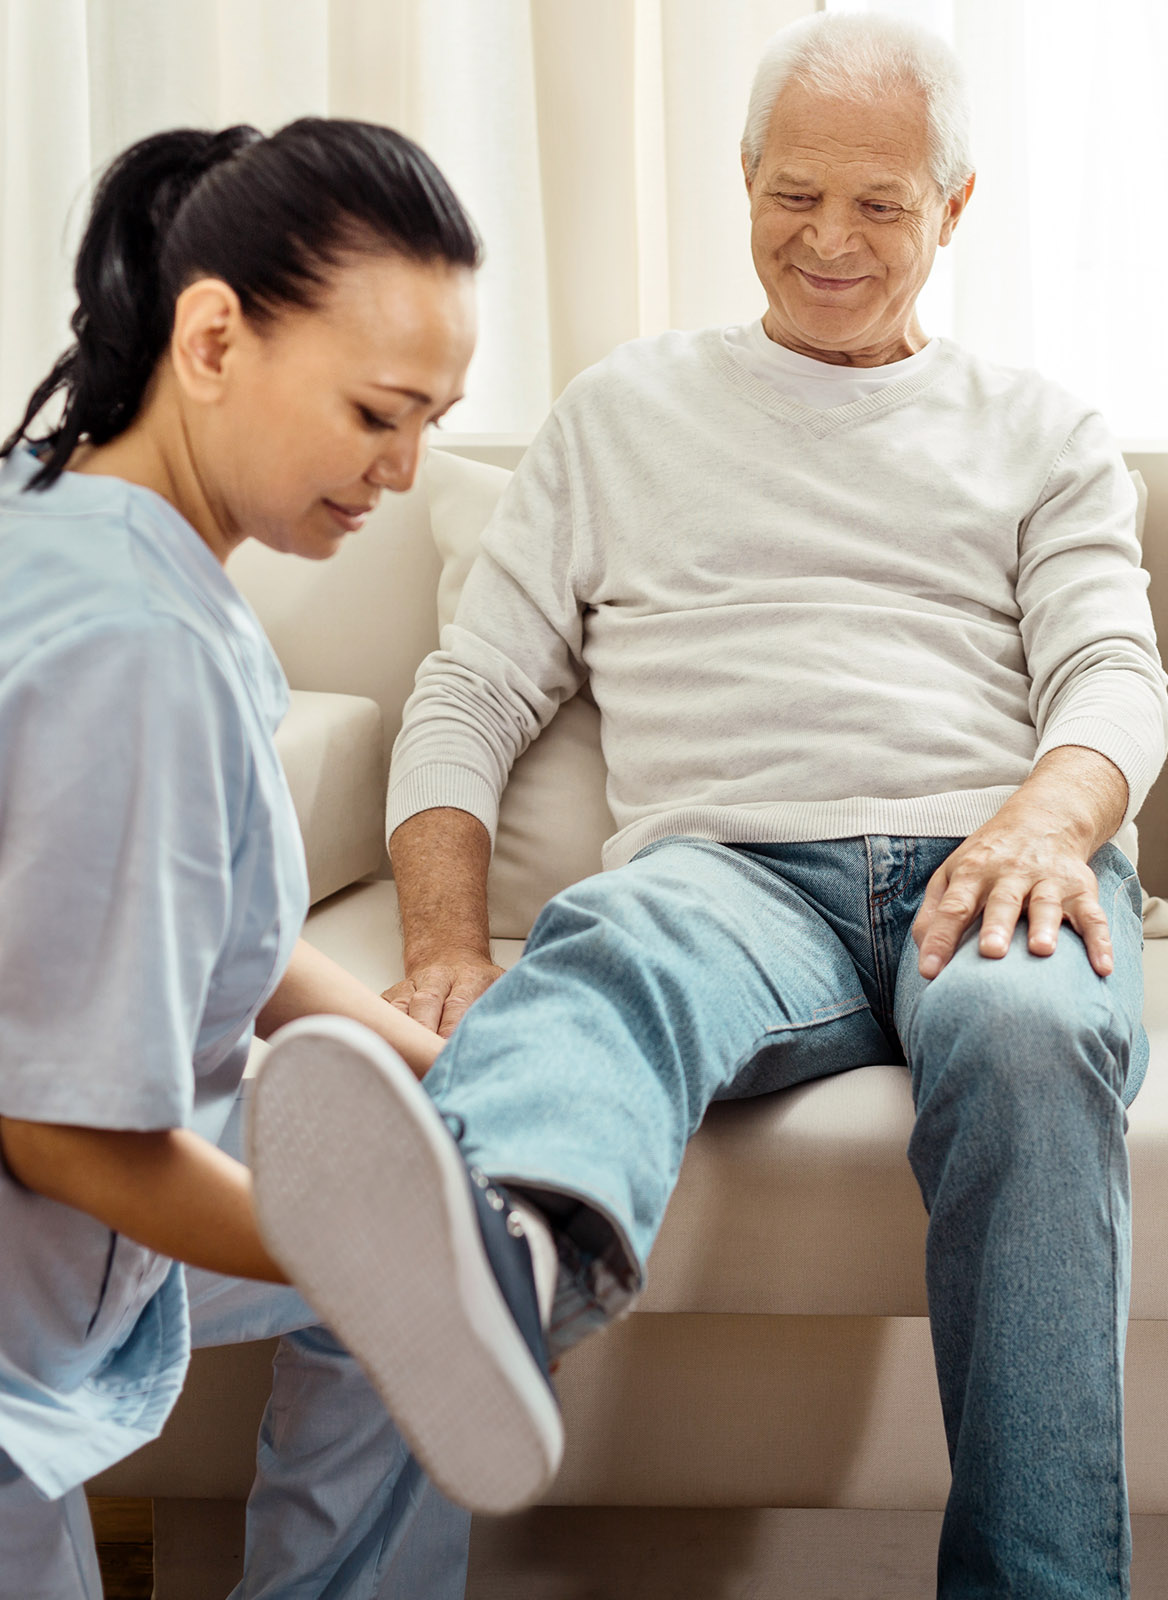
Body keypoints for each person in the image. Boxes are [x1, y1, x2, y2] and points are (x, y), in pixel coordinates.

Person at [248, 13, 1168, 1599]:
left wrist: (1044, 824)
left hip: (989, 863)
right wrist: (449, 937)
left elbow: (1113, 675)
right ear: (743, 179)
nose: (828, 239)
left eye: (880, 204)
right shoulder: (622, 417)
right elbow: (471, 694)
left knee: (1031, 1038)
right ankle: (494, 1266)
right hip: (728, 876)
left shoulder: (1042, 431)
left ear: (954, 208)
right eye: (794, 192)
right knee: (609, 959)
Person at [0, 118, 480, 1599]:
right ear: (215, 336)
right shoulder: (133, 648)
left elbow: (185, 914)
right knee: (416, 1294)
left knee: (425, 1270)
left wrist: (442, 1092)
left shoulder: (65, 502)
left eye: (434, 419)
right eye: (377, 411)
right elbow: (73, 1137)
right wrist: (400, 1269)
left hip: (5, 1219)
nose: (407, 468)